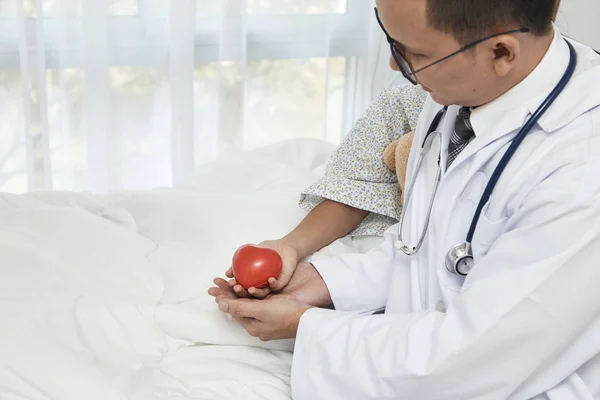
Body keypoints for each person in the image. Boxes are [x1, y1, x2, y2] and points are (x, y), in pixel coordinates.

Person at [210, 0, 600, 398]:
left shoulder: (583, 173)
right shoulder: (468, 88)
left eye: (414, 54)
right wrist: (326, 282)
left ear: (501, 52)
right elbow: (431, 243)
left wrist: (305, 326)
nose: (398, 67)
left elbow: (472, 358)